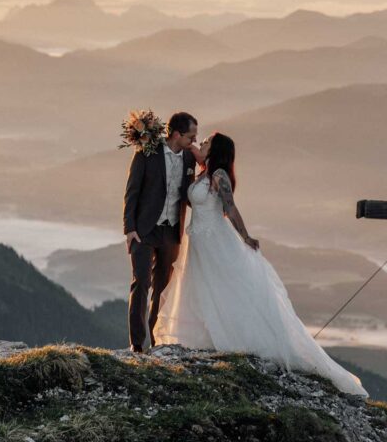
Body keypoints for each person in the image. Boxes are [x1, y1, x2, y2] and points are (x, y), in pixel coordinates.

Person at [153, 132, 368, 398]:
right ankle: (204, 336)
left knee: (220, 287)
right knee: (200, 287)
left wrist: (245, 237)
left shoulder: (218, 175)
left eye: (207, 140)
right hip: (198, 240)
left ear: (216, 149)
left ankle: (232, 336)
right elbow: (186, 149)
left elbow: (230, 209)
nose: (203, 142)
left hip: (213, 239)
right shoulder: (204, 171)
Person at [123, 111, 199, 351]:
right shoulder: (146, 152)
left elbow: (188, 193)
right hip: (144, 230)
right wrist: (130, 229)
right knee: (141, 283)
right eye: (191, 136)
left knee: (163, 289)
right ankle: (136, 344)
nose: (194, 141)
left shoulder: (189, 159)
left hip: (171, 232)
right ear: (176, 134)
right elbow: (132, 190)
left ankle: (157, 340)